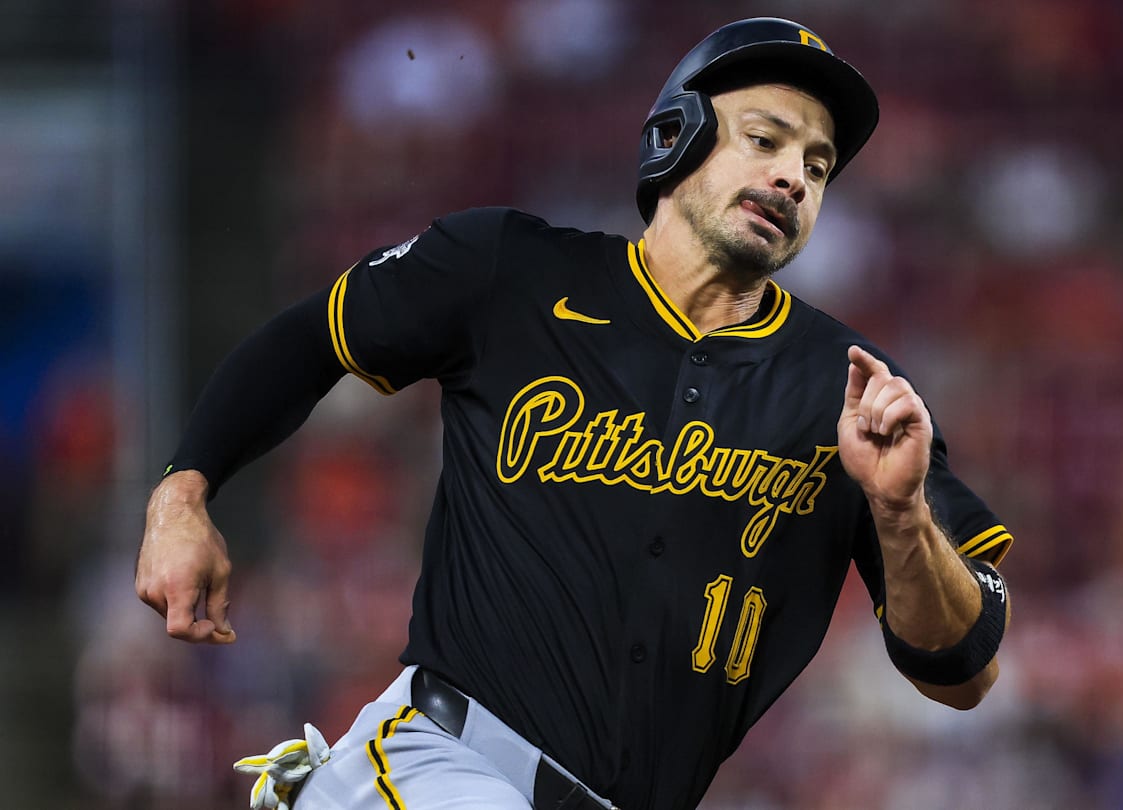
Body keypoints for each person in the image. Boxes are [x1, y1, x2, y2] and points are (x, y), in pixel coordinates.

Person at [135, 17, 1014, 810]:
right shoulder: (510, 271)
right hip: (441, 765)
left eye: (818, 167)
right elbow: (309, 341)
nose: (793, 176)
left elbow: (963, 669)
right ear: (677, 137)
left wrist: (899, 515)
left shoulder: (852, 390)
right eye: (765, 140)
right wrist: (183, 495)